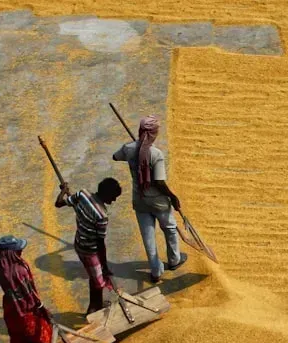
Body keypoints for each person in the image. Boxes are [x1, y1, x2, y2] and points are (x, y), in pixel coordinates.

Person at [112, 115, 188, 283]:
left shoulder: (128, 148)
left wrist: (132, 150)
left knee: (148, 237)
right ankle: (174, 260)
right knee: (169, 228)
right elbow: (159, 181)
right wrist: (173, 197)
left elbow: (115, 157)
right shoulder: (156, 154)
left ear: (140, 131)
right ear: (154, 133)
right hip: (159, 202)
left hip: (140, 201)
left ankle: (155, 271)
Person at [55, 177, 121, 315]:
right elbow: (100, 243)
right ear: (106, 194)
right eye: (113, 197)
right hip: (90, 251)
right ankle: (92, 309)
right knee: (98, 282)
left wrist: (64, 191)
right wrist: (105, 266)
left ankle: (97, 304)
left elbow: (59, 203)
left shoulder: (83, 194)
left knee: (94, 277)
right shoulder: (102, 215)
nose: (113, 201)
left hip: (79, 244)